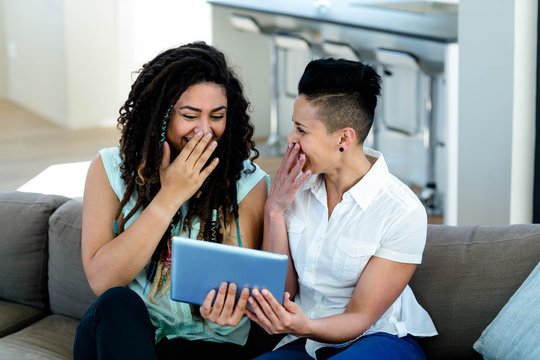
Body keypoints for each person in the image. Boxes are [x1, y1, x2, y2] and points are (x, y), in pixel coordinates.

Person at [73, 41, 271, 359]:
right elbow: (103, 280)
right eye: (190, 115)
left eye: (217, 116)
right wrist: (170, 197)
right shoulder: (108, 168)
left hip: (209, 344)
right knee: (117, 303)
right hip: (126, 334)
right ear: (160, 115)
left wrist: (230, 311)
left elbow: (239, 282)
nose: (205, 131)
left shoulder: (248, 182)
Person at [245, 58, 438, 359]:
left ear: (344, 138)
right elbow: (283, 290)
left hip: (379, 338)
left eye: (301, 130)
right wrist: (275, 210)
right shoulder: (294, 190)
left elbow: (361, 317)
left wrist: (304, 324)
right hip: (307, 341)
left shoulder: (402, 211)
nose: (290, 139)